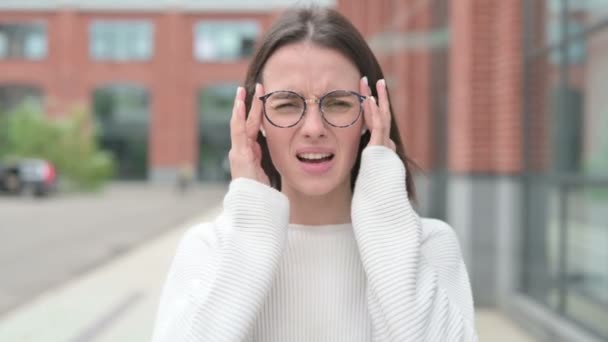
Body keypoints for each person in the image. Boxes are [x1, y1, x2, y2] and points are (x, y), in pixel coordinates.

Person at [151, 6, 477, 342]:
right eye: (286, 104)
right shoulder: (210, 250)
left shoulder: (428, 246)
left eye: (337, 103)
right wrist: (250, 227)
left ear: (371, 116)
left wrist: (384, 211)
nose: (313, 128)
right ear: (255, 121)